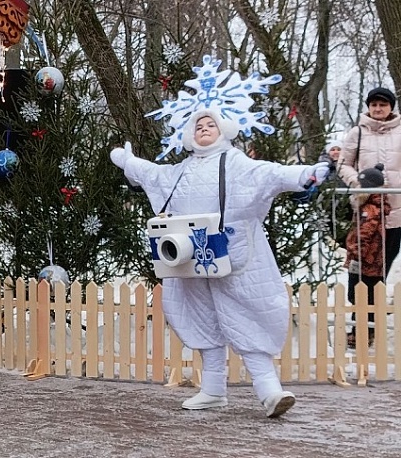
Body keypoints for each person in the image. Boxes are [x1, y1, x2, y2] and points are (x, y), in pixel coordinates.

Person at [111, 110, 330, 418]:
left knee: (247, 316)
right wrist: (126, 161)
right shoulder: (180, 171)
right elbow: (152, 175)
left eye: (210, 124)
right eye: (198, 126)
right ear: (189, 134)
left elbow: (270, 174)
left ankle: (269, 391)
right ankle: (213, 390)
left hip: (236, 255)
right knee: (200, 318)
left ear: (223, 130)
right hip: (190, 260)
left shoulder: (238, 164)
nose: (204, 129)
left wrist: (306, 174)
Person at [338, 87, 401, 278]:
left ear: (391, 107)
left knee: (387, 257)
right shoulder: (357, 133)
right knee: (361, 254)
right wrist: (359, 182)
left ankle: (377, 304)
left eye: (383, 104)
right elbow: (343, 164)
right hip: (367, 210)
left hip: (396, 209)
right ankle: (360, 302)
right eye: (374, 105)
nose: (378, 109)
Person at [345, 164, 390, 348]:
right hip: (372, 261)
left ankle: (361, 333)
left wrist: (355, 253)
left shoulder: (370, 209)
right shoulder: (375, 205)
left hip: (365, 261)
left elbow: (363, 234)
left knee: (359, 296)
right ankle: (365, 331)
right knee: (367, 296)